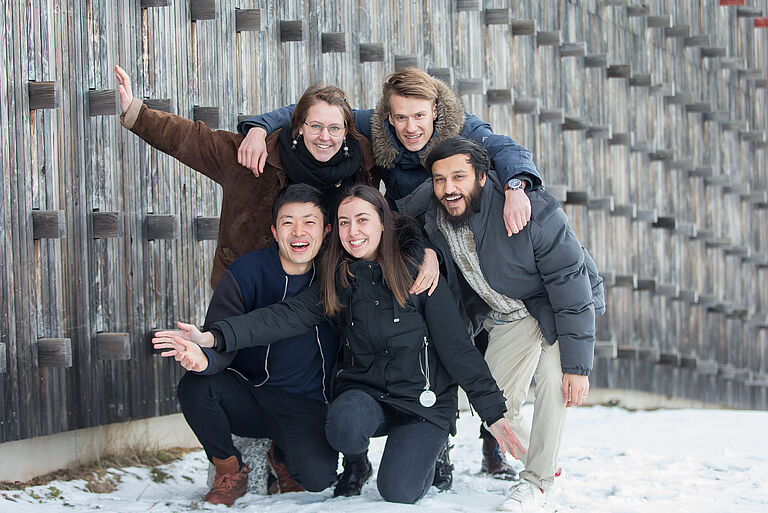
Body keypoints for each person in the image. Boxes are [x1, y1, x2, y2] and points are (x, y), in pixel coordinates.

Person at [153, 185, 526, 505]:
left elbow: (457, 347)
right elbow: (279, 317)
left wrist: (492, 411)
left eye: (363, 220)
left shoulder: (418, 273)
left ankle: (434, 451)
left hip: (422, 401)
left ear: (383, 222)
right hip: (367, 395)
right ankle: (357, 461)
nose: (353, 231)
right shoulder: (340, 280)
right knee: (342, 423)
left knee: (399, 491)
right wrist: (212, 336)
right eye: (345, 223)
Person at [398, 136, 605, 511]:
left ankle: (536, 483)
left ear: (481, 176)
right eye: (440, 179)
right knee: (493, 404)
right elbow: (391, 221)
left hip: (552, 307)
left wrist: (577, 366)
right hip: (507, 317)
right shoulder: (434, 203)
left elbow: (569, 284)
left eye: (459, 177)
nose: (449, 188)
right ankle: (542, 457)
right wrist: (423, 250)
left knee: (554, 388)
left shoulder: (532, 210)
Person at [115, 65, 378, 289]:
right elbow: (192, 139)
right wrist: (137, 114)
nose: (325, 136)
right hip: (251, 289)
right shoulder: (254, 156)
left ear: (345, 131)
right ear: (299, 127)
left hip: (329, 291)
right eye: (316, 126)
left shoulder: (363, 164)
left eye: (334, 128)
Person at [156, 185, 339, 506]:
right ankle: (229, 467)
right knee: (196, 386)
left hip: (306, 403)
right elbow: (219, 333)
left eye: (309, 222)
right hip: (249, 393)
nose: (298, 232)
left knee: (318, 478)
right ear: (273, 230)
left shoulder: (335, 277)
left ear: (326, 230)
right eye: (287, 222)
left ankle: (281, 456)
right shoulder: (246, 272)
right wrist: (205, 359)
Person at [237, 67, 542, 237]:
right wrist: (259, 129)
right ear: (388, 115)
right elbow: (314, 112)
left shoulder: (462, 128)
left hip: (460, 231)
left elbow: (505, 148)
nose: (410, 128)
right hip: (407, 232)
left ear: (435, 111)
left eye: (419, 116)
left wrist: (515, 187)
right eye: (401, 117)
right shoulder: (375, 126)